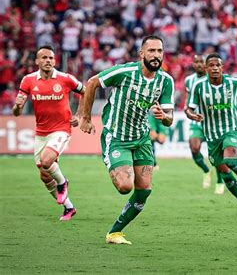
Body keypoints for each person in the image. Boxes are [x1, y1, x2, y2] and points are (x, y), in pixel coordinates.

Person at [79, 35, 175, 245]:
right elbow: (92, 82)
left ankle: (115, 233)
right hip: (117, 138)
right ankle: (115, 163)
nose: (156, 55)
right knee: (125, 186)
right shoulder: (125, 72)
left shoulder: (165, 81)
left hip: (142, 140)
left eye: (159, 51)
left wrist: (165, 118)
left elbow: (169, 119)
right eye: (151, 51)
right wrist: (85, 117)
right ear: (142, 54)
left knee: (144, 191)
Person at [185, 53, 237, 218]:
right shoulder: (198, 86)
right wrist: (192, 115)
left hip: (233, 128)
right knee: (224, 173)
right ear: (207, 69)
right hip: (212, 135)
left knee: (230, 160)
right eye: (211, 65)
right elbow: (189, 108)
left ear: (222, 68)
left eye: (218, 65)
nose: (215, 68)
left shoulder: (234, 83)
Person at [12, 45, 85, 221]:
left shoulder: (65, 79)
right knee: (45, 176)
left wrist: (80, 114)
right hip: (41, 132)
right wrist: (18, 105)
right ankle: (69, 208)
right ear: (37, 61)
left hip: (61, 129)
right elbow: (16, 113)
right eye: (44, 58)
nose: (48, 61)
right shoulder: (28, 81)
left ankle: (63, 182)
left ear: (55, 61)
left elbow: (85, 91)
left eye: (51, 58)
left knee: (47, 160)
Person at [185, 54, 225, 194]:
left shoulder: (215, 79)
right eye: (196, 62)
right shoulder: (189, 80)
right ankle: (206, 170)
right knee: (194, 148)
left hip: (213, 123)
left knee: (216, 155)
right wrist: (189, 111)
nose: (199, 64)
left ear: (206, 65)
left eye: (201, 62)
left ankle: (220, 181)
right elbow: (189, 100)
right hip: (197, 122)